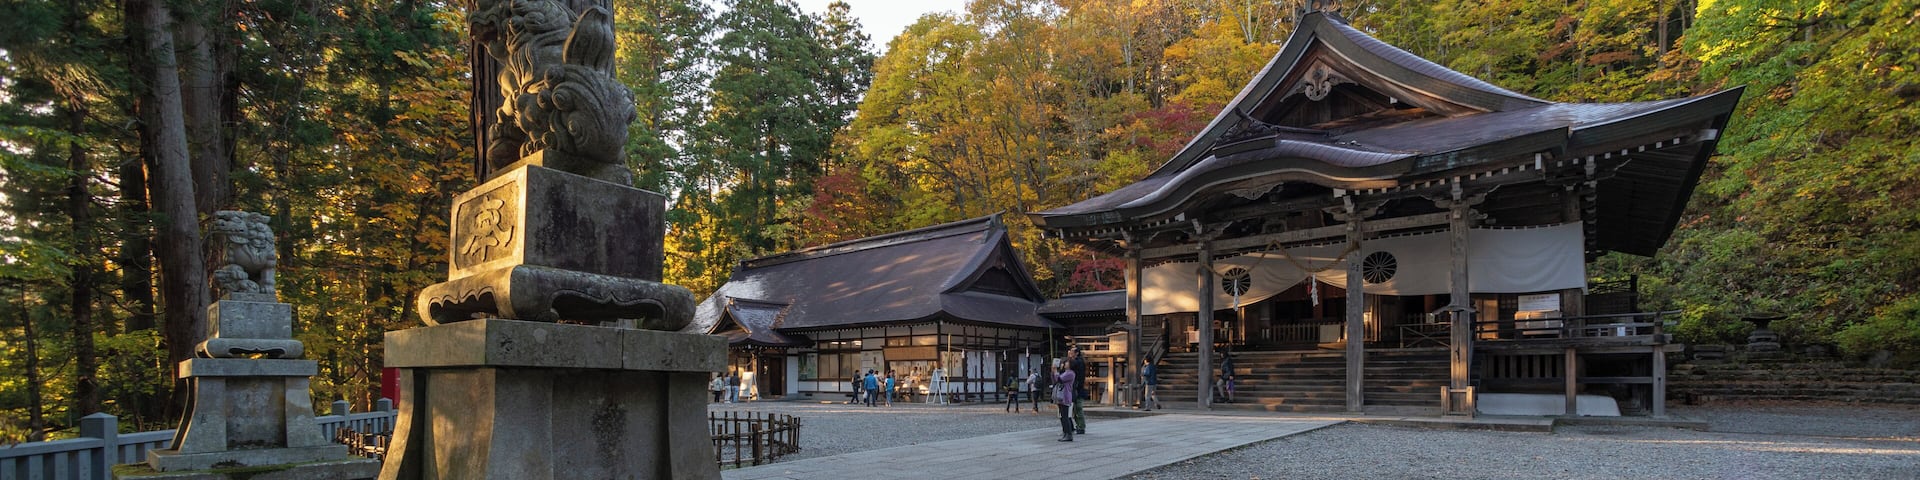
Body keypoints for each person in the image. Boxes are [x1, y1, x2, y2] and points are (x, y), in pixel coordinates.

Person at [1053, 360, 1075, 442]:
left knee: (1065, 416)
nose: (1065, 363)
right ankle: (1065, 433)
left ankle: (1068, 434)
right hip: (1061, 395)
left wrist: (1055, 372)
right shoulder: (1065, 372)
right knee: (1062, 416)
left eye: (1067, 362)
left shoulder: (1070, 373)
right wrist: (1054, 372)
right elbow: (1055, 379)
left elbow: (1059, 379)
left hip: (1065, 395)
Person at [1069, 347, 1088, 434]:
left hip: (1077, 388)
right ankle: (1079, 426)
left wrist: (1069, 358)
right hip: (1077, 387)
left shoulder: (1078, 362)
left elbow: (1071, 365)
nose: (1070, 353)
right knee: (1076, 409)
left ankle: (1081, 426)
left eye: (1072, 352)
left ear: (1076, 353)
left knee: (1078, 408)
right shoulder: (1079, 361)